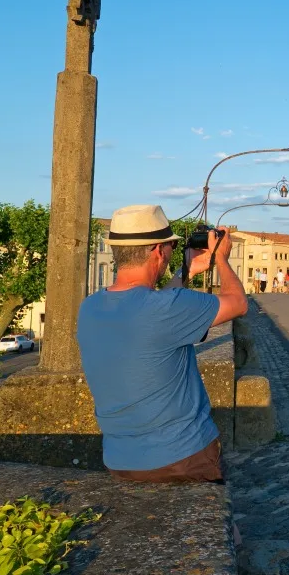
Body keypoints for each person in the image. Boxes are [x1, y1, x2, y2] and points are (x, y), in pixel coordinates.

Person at [76, 205, 248, 483]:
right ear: (158, 250)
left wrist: (187, 270)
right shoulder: (167, 307)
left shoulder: (91, 307)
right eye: (170, 246)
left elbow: (151, 309)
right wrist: (221, 259)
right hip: (182, 456)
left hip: (120, 460)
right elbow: (238, 304)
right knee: (219, 525)